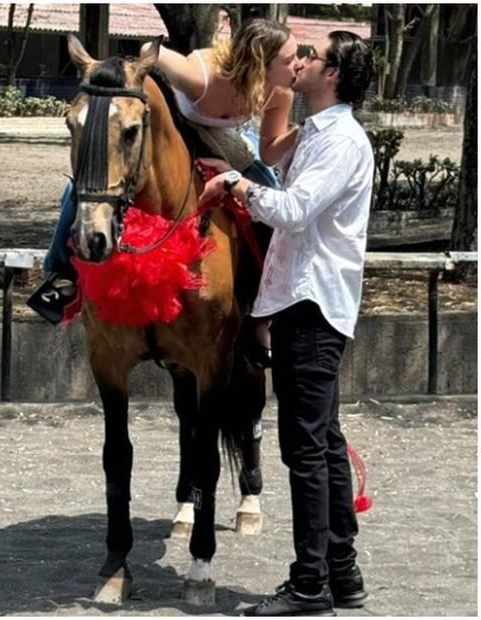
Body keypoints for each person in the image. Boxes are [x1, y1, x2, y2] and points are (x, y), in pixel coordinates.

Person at [196, 31, 375, 616]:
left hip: (313, 303)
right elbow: (271, 152)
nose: (301, 61)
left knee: (305, 447)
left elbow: (294, 211)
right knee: (323, 443)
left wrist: (234, 185)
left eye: (312, 58)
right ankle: (341, 575)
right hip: (307, 300)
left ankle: (308, 584)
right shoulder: (319, 133)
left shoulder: (341, 142)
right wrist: (272, 99)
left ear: (335, 76)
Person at [29, 18, 301, 364]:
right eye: (290, 58)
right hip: (172, 123)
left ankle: (264, 308)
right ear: (260, 62)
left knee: (270, 194)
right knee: (82, 185)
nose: (299, 64)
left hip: (225, 141)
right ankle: (60, 273)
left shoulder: (281, 92)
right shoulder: (198, 74)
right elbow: (147, 51)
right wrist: (130, 75)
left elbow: (268, 151)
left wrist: (302, 131)